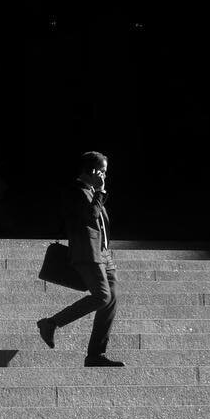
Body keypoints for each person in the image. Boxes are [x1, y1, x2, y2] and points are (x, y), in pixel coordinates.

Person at [36, 151, 123, 366]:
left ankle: (96, 354)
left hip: (103, 255)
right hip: (87, 253)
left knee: (111, 299)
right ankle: (51, 323)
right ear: (92, 171)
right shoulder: (75, 191)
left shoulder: (91, 193)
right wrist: (101, 192)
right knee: (102, 296)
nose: (104, 176)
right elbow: (89, 216)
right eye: (102, 171)